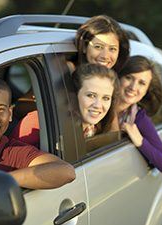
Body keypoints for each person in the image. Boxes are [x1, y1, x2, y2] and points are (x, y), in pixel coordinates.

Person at [11, 15, 129, 145]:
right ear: (84, 47)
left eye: (112, 49)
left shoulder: (112, 79)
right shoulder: (66, 70)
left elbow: (111, 128)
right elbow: (23, 107)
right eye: (98, 47)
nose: (105, 56)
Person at [117, 55, 162, 177]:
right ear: (118, 77)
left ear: (147, 90)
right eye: (129, 78)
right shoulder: (98, 105)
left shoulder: (139, 119)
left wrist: (140, 141)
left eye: (142, 83)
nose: (133, 87)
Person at [72, 63, 119, 138]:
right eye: (91, 95)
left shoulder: (99, 129)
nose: (98, 105)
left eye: (106, 98)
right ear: (74, 95)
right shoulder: (59, 132)